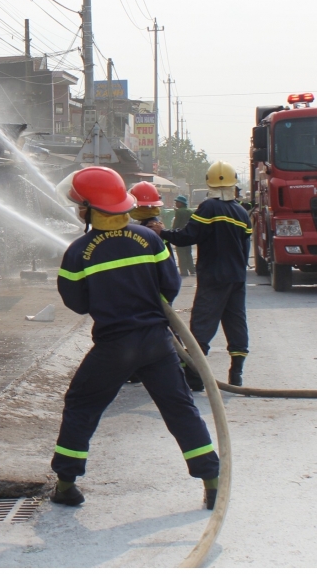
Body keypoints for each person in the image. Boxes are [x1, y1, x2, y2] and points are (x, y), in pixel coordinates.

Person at [50, 166, 220, 510]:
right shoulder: (151, 239)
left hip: (113, 346)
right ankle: (212, 481)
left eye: (79, 205)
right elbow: (169, 287)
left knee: (82, 405)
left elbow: (77, 303)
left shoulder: (79, 251)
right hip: (157, 343)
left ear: (90, 209)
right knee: (180, 409)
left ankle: (66, 485)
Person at [150, 162, 252, 389]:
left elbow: (188, 236)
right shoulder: (241, 212)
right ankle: (236, 373)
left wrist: (161, 232)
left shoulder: (208, 208)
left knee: (202, 324)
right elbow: (245, 249)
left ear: (209, 182)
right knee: (236, 323)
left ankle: (195, 378)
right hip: (236, 278)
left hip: (214, 277)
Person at [172, 195, 195, 277]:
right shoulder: (190, 211)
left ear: (181, 203)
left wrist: (172, 232)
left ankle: (184, 271)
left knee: (181, 254)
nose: (176, 203)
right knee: (188, 253)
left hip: (180, 235)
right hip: (188, 235)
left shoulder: (179, 212)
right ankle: (192, 270)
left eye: (177, 202)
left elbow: (176, 225)